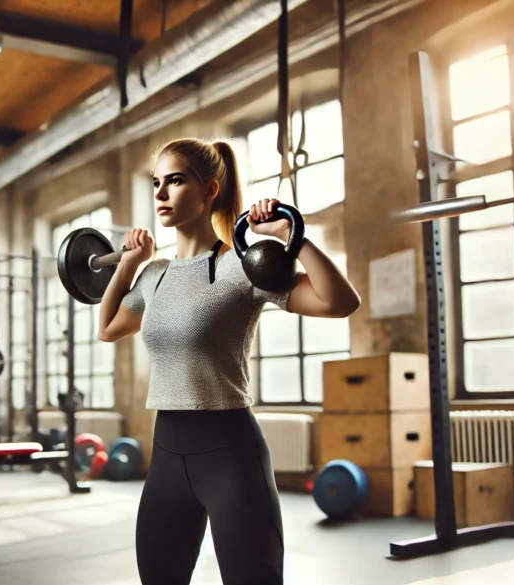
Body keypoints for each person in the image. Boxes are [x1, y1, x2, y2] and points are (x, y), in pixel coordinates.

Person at [97, 137, 360, 584]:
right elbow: (108, 328)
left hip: (229, 452)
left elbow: (340, 303)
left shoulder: (244, 265)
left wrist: (288, 237)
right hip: (167, 450)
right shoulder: (155, 275)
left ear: (209, 190)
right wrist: (128, 264)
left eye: (175, 182)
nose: (160, 194)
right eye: (157, 183)